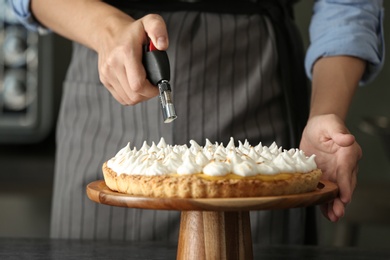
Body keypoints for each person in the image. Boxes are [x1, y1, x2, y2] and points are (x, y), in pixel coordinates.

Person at [10, 0, 384, 244]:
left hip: (256, 88)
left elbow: (348, 5)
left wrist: (325, 112)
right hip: (106, 75)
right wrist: (106, 29)